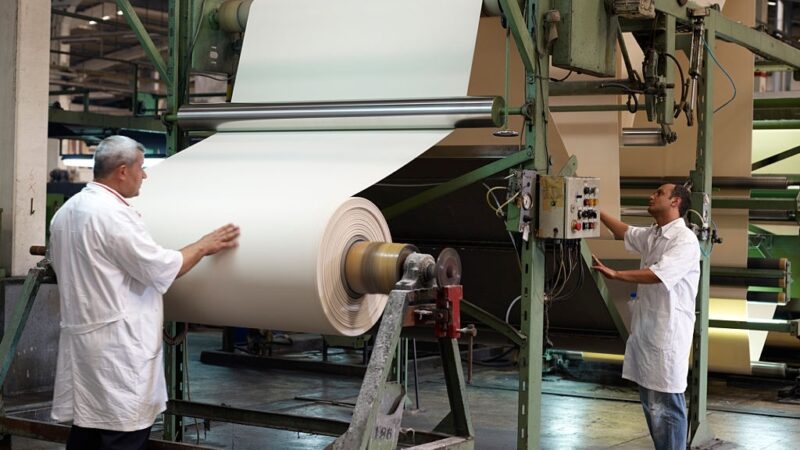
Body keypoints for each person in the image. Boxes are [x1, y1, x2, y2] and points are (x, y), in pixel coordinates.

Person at [48, 135, 240, 450]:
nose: (145, 175)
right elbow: (163, 267)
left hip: (85, 345)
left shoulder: (67, 212)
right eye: (141, 167)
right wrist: (204, 244)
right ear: (122, 171)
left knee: (88, 432)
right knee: (122, 436)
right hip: (119, 350)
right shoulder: (113, 216)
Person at [591, 183, 700, 450]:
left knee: (667, 408)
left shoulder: (684, 240)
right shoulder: (654, 234)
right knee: (653, 407)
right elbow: (624, 232)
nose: (651, 196)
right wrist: (592, 208)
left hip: (668, 335)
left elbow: (657, 274)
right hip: (649, 333)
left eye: (659, 194)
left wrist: (617, 274)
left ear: (675, 202)